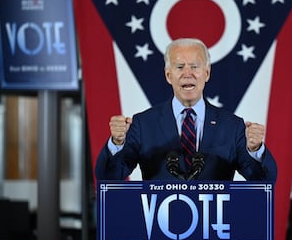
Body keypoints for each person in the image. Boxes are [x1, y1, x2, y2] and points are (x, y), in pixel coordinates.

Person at [95, 38, 277, 182]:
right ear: (168, 75)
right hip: (158, 224)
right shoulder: (143, 124)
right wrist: (116, 143)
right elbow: (108, 177)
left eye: (195, 66)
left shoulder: (232, 126)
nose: (187, 73)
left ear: (207, 73)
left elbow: (263, 182)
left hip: (215, 223)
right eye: (180, 67)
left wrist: (256, 150)